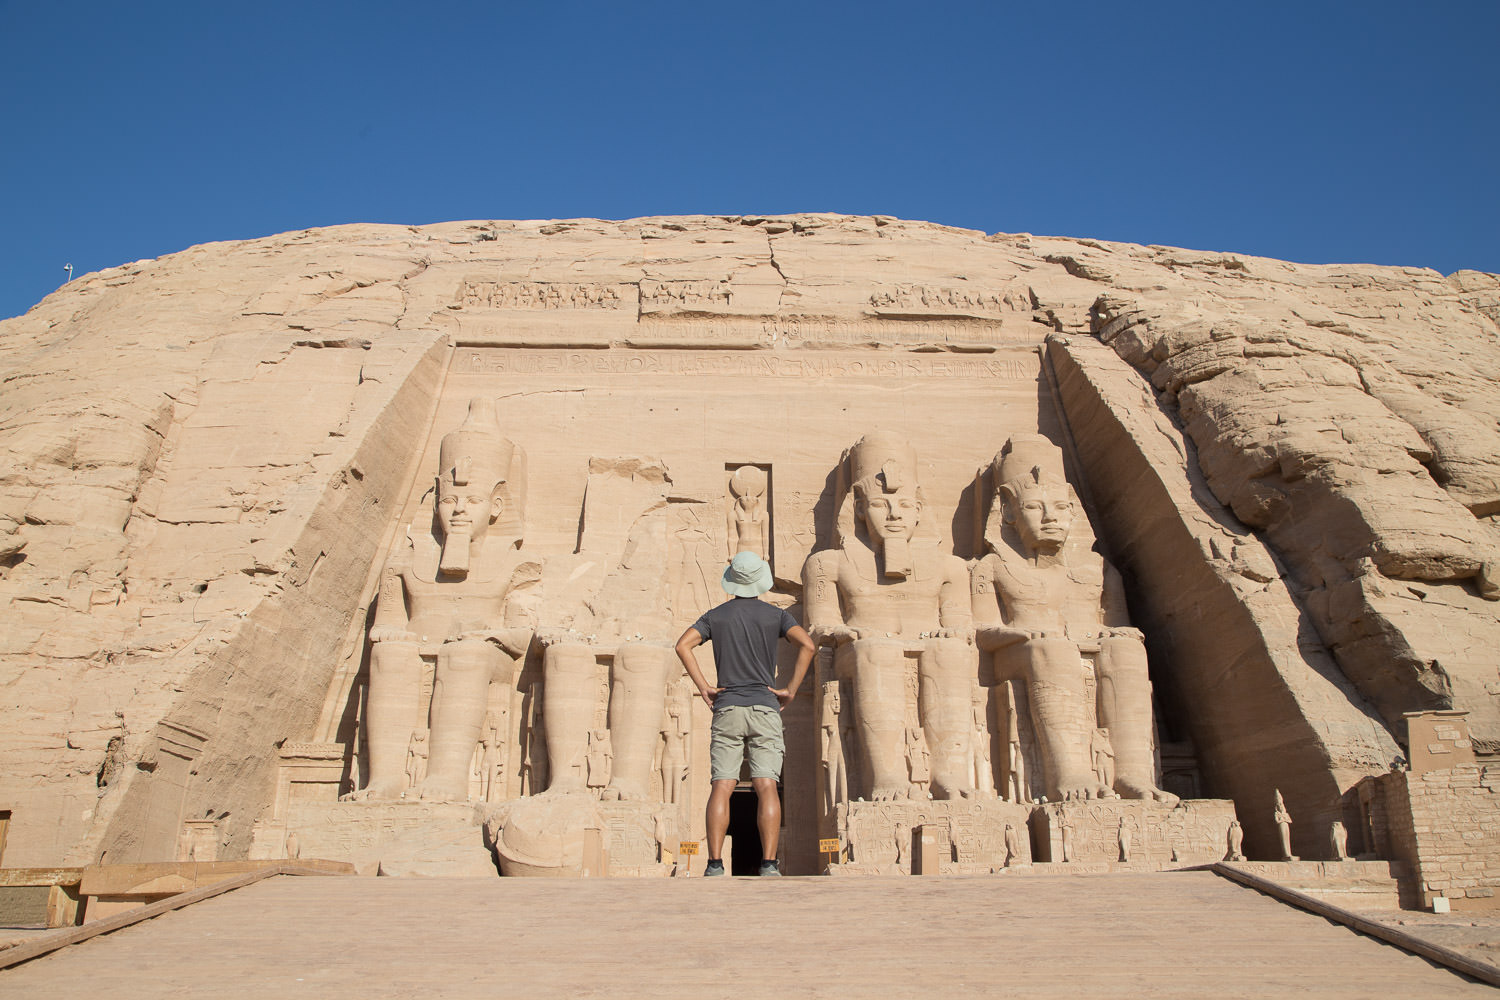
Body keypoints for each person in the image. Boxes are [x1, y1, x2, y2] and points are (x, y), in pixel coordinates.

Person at [676, 551, 816, 876]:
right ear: (760, 581)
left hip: (727, 705)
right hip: (764, 705)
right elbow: (808, 646)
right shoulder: (775, 615)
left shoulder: (716, 616)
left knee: (722, 784)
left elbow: (683, 645)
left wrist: (703, 686)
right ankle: (768, 864)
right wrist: (791, 689)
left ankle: (714, 864)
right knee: (766, 784)